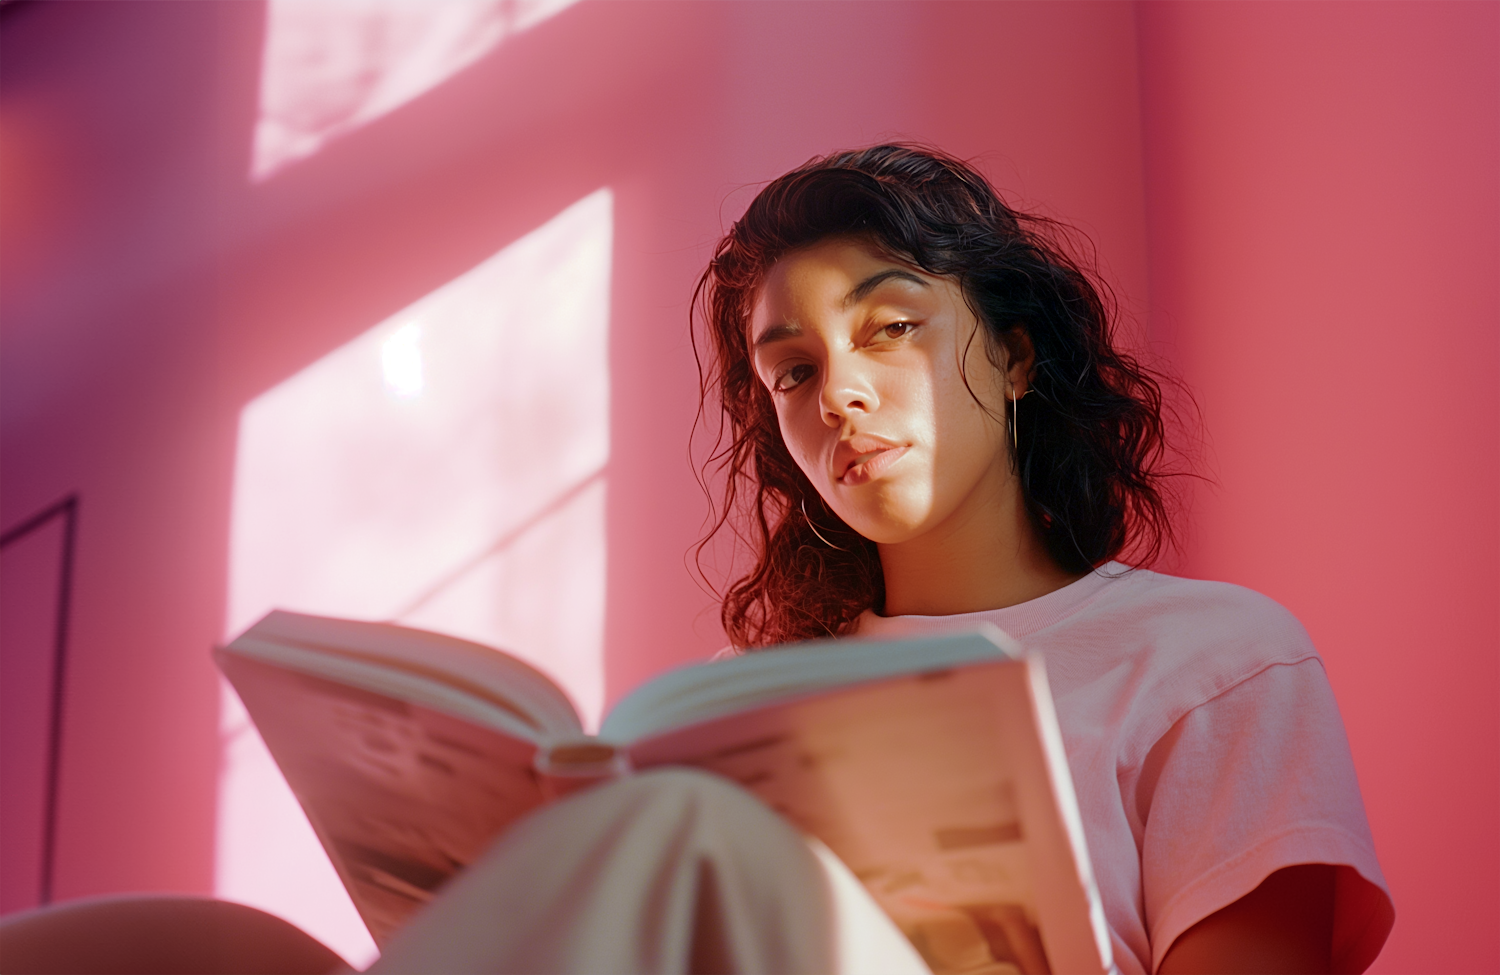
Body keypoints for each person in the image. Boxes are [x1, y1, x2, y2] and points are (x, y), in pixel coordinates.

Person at [0, 146, 1394, 975]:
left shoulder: (1213, 656)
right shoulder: (752, 700)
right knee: (201, 946)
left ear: (1016, 353)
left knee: (682, 835)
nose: (835, 391)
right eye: (789, 370)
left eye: (889, 328)